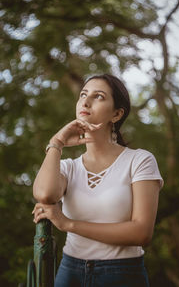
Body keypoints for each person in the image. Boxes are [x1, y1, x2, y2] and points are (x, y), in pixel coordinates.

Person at [32, 74, 164, 287]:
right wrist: (57, 142)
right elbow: (44, 194)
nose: (85, 101)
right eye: (83, 95)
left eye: (98, 96)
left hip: (122, 274)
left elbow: (141, 232)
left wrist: (68, 224)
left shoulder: (139, 160)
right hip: (70, 272)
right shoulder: (68, 167)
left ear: (117, 114)